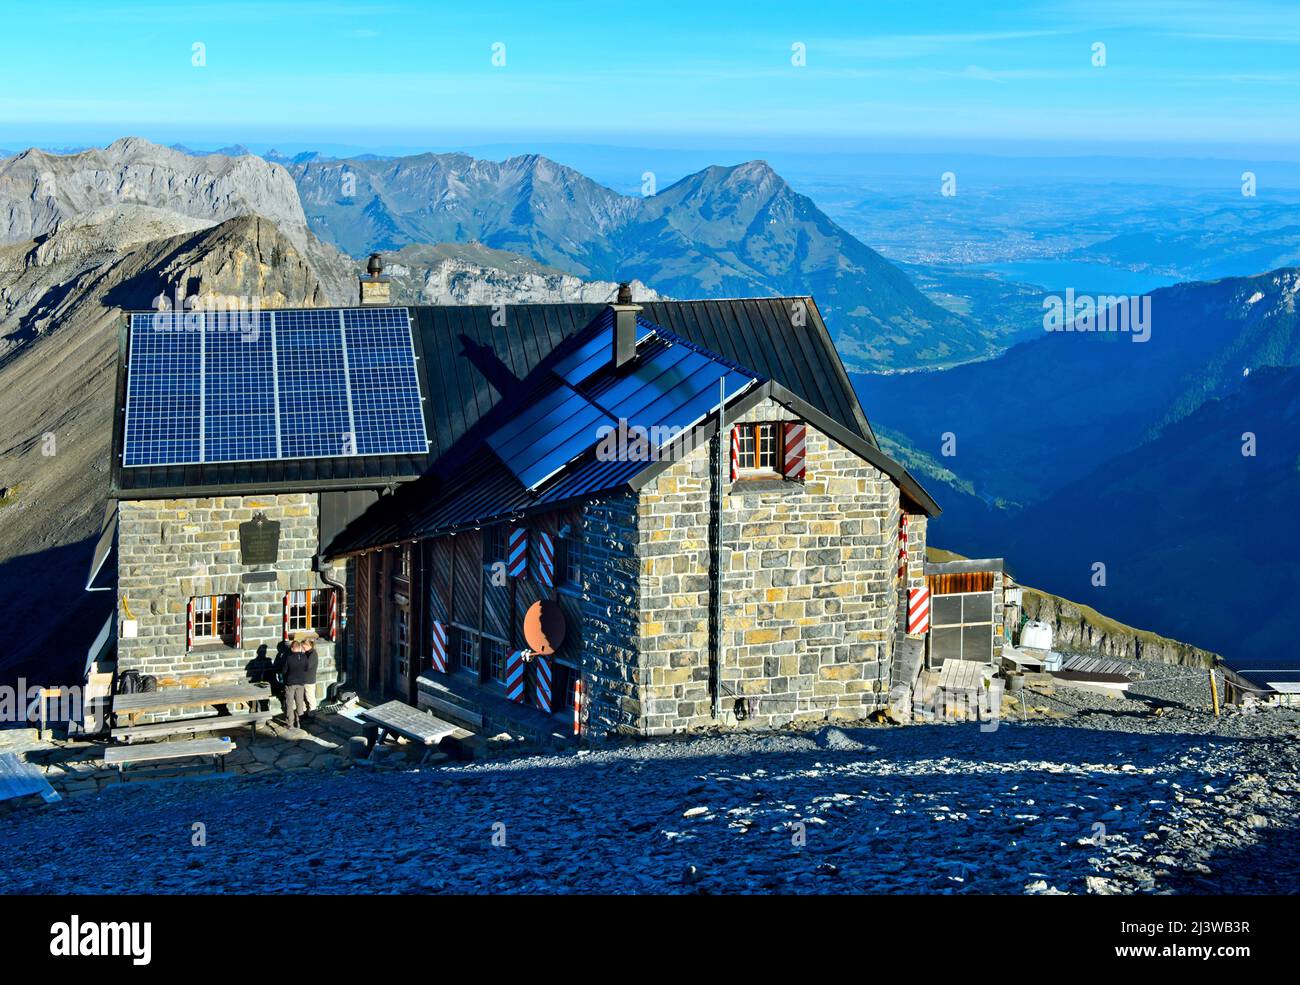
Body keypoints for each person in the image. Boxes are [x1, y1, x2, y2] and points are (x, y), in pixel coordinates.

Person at [281, 639, 314, 730]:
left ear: (292, 648)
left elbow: (284, 671)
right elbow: (306, 668)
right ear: (299, 648)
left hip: (290, 683)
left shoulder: (289, 658)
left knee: (289, 703)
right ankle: (300, 722)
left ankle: (290, 723)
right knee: (300, 703)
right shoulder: (304, 657)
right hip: (301, 683)